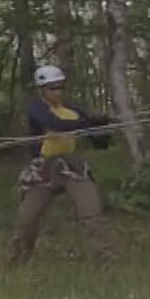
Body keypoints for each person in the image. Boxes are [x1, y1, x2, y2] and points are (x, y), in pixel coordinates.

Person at [10, 65, 118, 264]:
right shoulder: (37, 108)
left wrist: (102, 128)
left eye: (60, 87)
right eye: (52, 88)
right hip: (43, 168)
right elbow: (56, 124)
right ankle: (16, 261)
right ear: (41, 90)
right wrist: (87, 123)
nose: (57, 92)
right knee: (28, 219)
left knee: (91, 213)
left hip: (71, 166)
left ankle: (106, 259)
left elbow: (99, 142)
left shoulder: (73, 110)